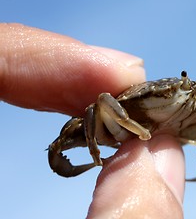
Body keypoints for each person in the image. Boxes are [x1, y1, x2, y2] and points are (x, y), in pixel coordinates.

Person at [0, 23, 185, 218]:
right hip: (119, 123)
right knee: (96, 108)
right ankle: (95, 158)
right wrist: (97, 154)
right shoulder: (110, 108)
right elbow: (102, 103)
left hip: (162, 128)